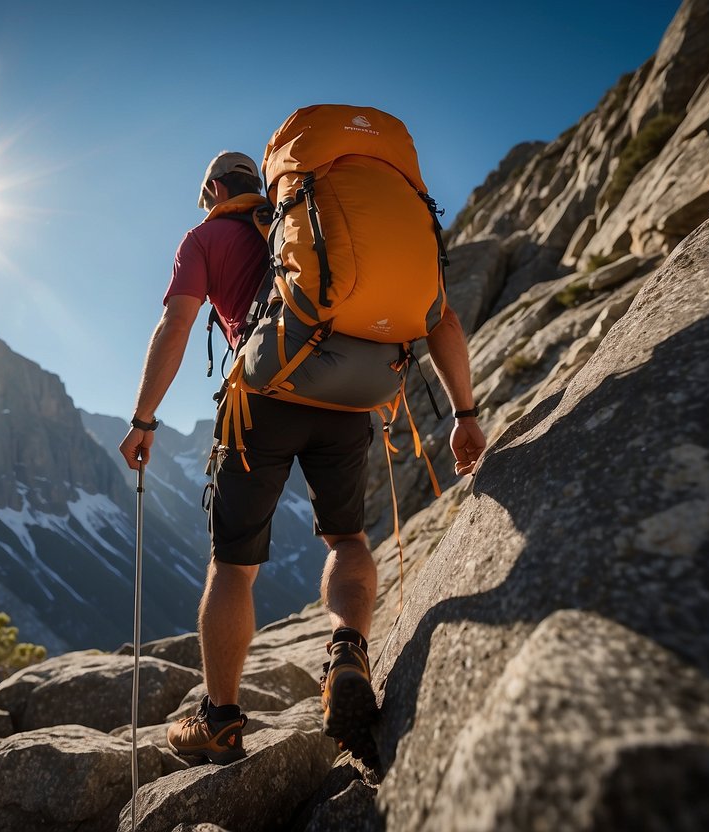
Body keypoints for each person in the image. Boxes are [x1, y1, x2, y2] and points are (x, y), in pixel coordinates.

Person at [118, 150, 486, 765]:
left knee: (232, 565)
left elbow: (176, 324)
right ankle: (347, 650)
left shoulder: (206, 237)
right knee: (345, 539)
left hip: (265, 397)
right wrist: (465, 416)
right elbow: (440, 316)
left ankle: (221, 719)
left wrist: (142, 419)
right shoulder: (314, 229)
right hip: (351, 399)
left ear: (212, 189)